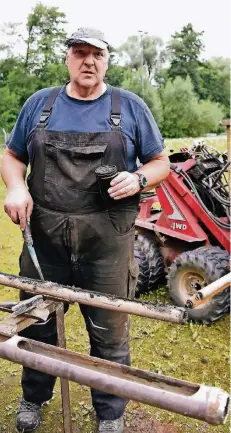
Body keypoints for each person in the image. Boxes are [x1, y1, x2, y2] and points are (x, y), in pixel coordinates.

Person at [1, 27, 170, 433]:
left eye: (97, 54)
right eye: (80, 53)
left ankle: (110, 413)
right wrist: (17, 186)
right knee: (36, 323)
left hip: (106, 241)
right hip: (44, 239)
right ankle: (33, 397)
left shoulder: (129, 107)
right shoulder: (40, 104)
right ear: (68, 59)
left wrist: (139, 179)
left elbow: (160, 162)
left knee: (110, 331)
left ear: (107, 60)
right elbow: (11, 155)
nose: (88, 61)